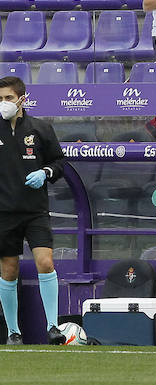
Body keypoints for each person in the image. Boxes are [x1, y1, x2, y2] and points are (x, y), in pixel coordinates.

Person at [0, 76, 65, 345]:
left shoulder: (40, 128)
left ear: (22, 99)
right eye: (0, 99)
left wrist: (45, 171)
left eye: (8, 99)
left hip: (36, 211)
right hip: (3, 212)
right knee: (9, 270)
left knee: (45, 262)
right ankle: (13, 332)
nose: (4, 104)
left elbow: (59, 161)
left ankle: (53, 327)